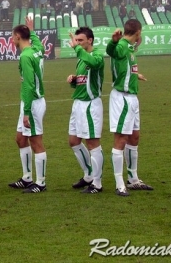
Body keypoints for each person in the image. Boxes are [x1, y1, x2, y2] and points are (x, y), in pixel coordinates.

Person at [106, 19, 154, 197]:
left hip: (133, 97)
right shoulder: (122, 46)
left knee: (134, 137)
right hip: (122, 98)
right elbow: (112, 52)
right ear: (139, 32)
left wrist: (135, 75)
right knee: (120, 139)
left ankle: (133, 179)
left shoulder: (130, 47)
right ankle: (119, 184)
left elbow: (126, 63)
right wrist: (113, 41)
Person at [9, 17, 48, 193]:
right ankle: (27, 178)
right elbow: (41, 45)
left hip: (32, 102)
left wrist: (26, 112)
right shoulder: (36, 50)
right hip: (31, 101)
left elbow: (29, 85)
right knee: (20, 138)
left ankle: (40, 183)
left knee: (36, 141)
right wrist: (32, 31)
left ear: (18, 36)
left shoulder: (25, 56)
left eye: (12, 37)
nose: (11, 40)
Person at [65, 27, 105, 194]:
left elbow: (94, 64)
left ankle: (97, 183)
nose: (78, 43)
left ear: (90, 40)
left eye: (81, 40)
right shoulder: (81, 59)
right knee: (74, 141)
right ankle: (88, 174)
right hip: (78, 104)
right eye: (77, 40)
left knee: (92, 143)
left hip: (90, 105)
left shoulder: (96, 56)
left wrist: (77, 49)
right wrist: (74, 80)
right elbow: (83, 81)